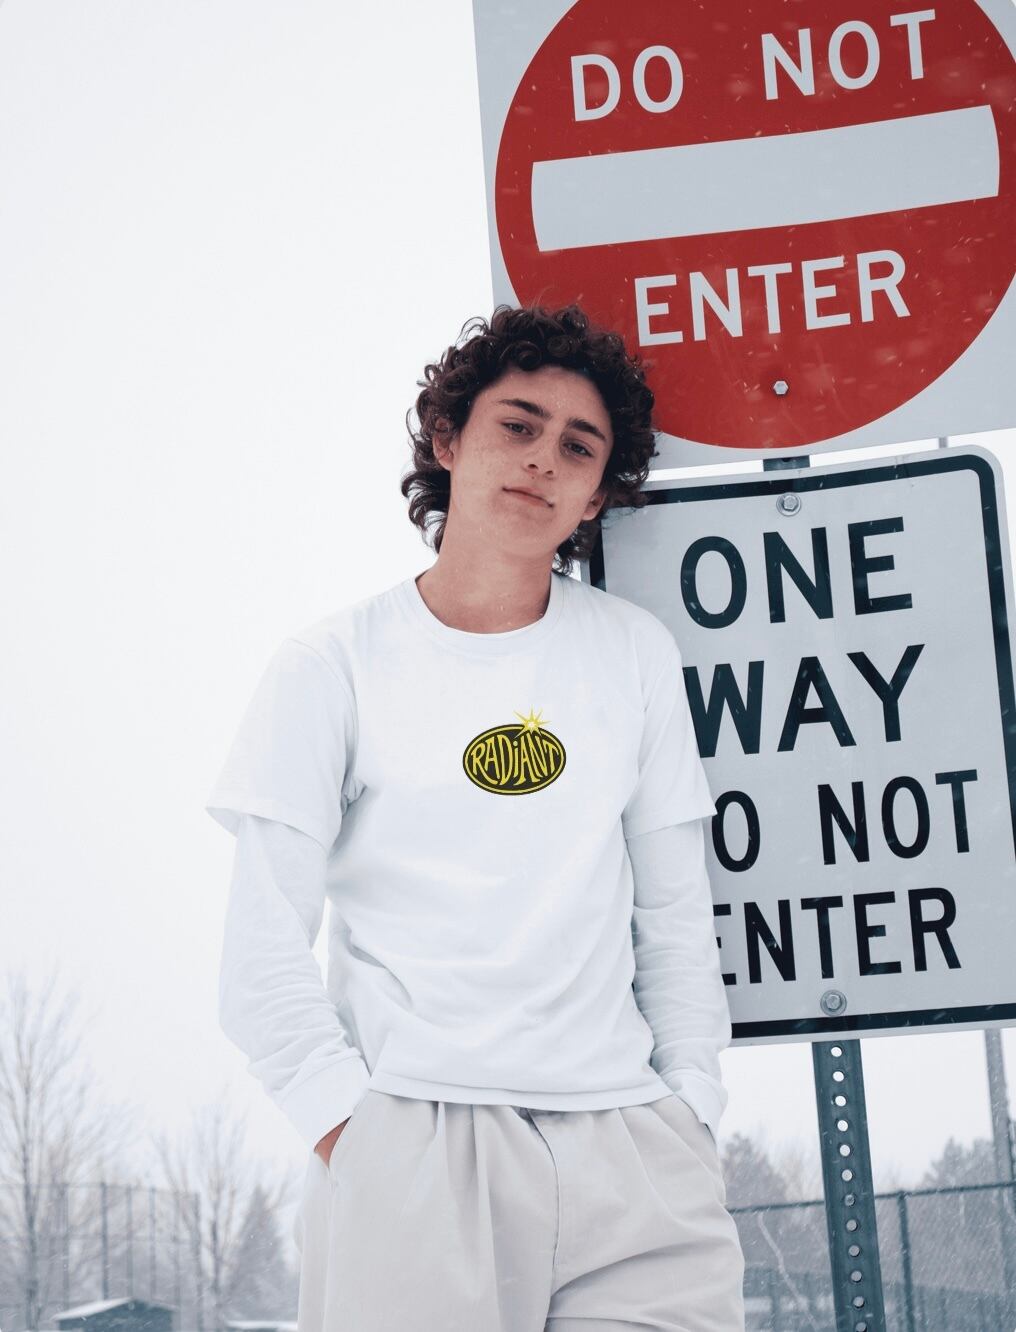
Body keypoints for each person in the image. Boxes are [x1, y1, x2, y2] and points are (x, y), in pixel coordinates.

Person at [205, 302, 746, 1331]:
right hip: (417, 1152)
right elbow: (260, 950)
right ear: (448, 439)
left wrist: (691, 1109)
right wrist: (354, 1137)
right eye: (518, 425)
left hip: (634, 1157)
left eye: (578, 446)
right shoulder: (332, 665)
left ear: (597, 494)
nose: (543, 458)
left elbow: (675, 914)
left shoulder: (634, 653)